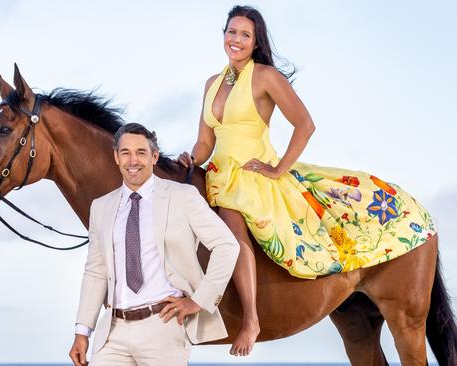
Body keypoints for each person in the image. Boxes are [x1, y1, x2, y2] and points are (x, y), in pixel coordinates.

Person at [178, 5, 436, 357]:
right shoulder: (212, 83)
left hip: (252, 176)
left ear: (255, 43)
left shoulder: (266, 77)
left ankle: (251, 320)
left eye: (244, 35)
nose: (235, 40)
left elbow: (305, 124)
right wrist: (192, 158)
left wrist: (278, 169)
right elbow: (206, 141)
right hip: (219, 175)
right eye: (231, 31)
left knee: (232, 233)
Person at [69, 123, 239, 366]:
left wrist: (199, 300)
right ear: (116, 157)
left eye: (141, 152)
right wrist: (82, 330)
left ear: (154, 156)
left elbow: (227, 245)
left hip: (163, 326)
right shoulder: (101, 207)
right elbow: (96, 270)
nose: (133, 160)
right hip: (113, 332)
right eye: (125, 153)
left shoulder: (182, 196)